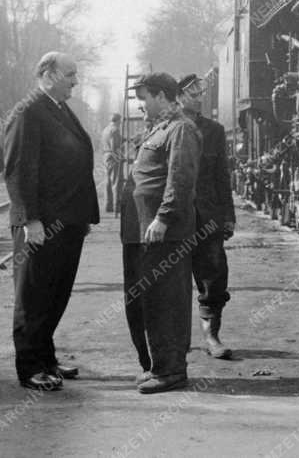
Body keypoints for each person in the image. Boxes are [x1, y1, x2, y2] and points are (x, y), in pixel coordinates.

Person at [4, 52, 99, 391]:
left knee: (55, 294)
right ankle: (30, 367)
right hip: (40, 225)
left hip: (66, 223)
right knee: (33, 296)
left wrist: (81, 215)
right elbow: (18, 170)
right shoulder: (27, 111)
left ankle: (46, 359)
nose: (76, 80)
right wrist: (31, 220)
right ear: (48, 73)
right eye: (70, 74)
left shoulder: (58, 108)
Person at [121, 72, 200, 394]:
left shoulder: (181, 129)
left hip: (163, 232)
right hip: (143, 231)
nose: (140, 104)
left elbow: (180, 178)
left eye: (144, 97)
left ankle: (171, 371)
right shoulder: (160, 128)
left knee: (166, 302)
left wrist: (164, 217)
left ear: (162, 96)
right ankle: (158, 365)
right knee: (148, 301)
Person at [178, 73, 235, 359]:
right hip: (175, 219)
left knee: (213, 278)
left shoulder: (214, 130)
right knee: (171, 281)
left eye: (201, 93)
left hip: (208, 217)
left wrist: (228, 216)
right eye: (192, 93)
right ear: (178, 97)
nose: (199, 98)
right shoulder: (167, 127)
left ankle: (211, 336)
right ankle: (175, 340)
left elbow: (222, 176)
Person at [101, 113, 124, 214]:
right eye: (120, 121)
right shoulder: (115, 130)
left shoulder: (105, 129)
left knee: (108, 181)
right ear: (118, 120)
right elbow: (115, 146)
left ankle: (108, 206)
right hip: (113, 157)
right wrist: (120, 157)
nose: (121, 123)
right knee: (116, 181)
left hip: (105, 156)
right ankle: (116, 207)